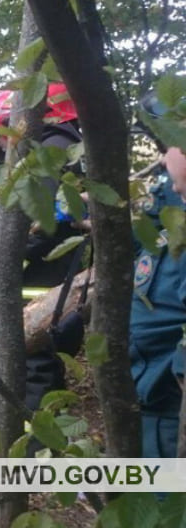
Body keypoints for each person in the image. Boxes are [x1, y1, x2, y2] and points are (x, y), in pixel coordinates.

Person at [0, 84, 88, 428]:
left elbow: (35, 224)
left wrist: (0, 269)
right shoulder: (50, 148)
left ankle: (34, 434)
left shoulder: (53, 152)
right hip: (27, 272)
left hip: (35, 277)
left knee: (32, 355)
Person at [130, 90, 186, 457]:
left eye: (173, 146)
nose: (165, 158)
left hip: (173, 403)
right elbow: (146, 239)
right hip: (147, 394)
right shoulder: (170, 194)